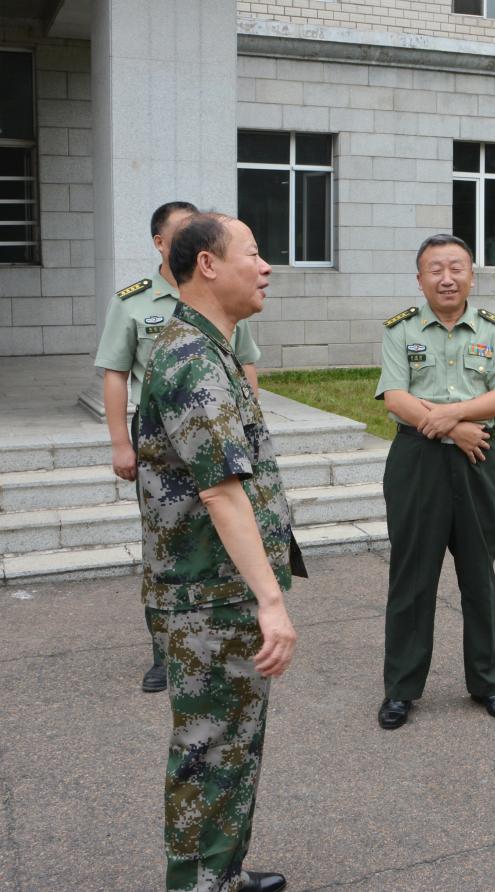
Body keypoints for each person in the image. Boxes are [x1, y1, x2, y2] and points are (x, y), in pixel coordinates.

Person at [136, 213, 300, 892]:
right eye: (252, 254)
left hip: (219, 590)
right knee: (207, 752)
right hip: (209, 597)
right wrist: (271, 600)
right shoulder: (192, 359)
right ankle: (197, 885)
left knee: (233, 747)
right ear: (208, 264)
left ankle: (221, 874)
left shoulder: (210, 347)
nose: (266, 267)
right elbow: (221, 492)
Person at [94, 200, 261, 694]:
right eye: (183, 230)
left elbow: (246, 364)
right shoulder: (134, 301)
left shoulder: (225, 295)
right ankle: (164, 651)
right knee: (166, 548)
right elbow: (115, 373)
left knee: (219, 538)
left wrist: (249, 424)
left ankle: (219, 637)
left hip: (215, 432)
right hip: (162, 445)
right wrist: (120, 443)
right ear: (160, 243)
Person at [374, 233, 495, 730]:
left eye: (456, 268)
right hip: (417, 460)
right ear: (420, 280)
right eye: (435, 269)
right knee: (412, 577)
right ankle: (400, 689)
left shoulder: (493, 331)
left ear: (471, 276)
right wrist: (454, 428)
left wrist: (451, 417)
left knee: (479, 575)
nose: (447, 278)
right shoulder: (400, 330)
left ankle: (488, 683)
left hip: (478, 459)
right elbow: (395, 396)